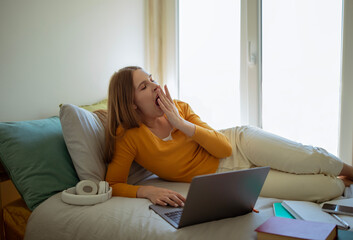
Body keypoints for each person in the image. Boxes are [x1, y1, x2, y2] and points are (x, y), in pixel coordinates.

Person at [105, 66, 353, 208]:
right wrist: (146, 191)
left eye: (152, 79)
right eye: (144, 87)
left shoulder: (179, 108)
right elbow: (113, 185)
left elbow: (223, 148)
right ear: (131, 103)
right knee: (325, 188)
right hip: (230, 178)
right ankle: (342, 182)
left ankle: (350, 171)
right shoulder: (128, 137)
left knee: (310, 159)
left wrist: (180, 123)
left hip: (241, 145)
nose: (155, 86)